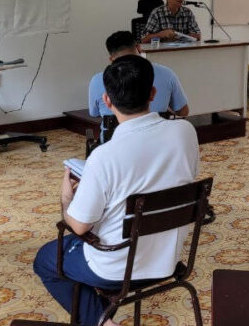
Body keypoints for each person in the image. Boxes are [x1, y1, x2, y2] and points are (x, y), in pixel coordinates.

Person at [34, 55, 200, 326]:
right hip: (167, 259)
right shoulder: (185, 132)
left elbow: (79, 226)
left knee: (46, 259)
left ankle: (102, 322)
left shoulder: (103, 157)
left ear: (107, 101)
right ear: (153, 93)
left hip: (114, 269)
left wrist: (66, 197)